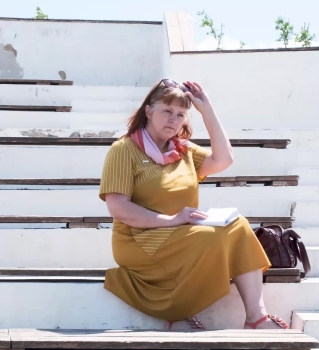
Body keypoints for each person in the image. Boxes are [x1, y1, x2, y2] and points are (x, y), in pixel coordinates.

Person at [98, 79, 289, 331]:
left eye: (180, 114)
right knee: (211, 238)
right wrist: (172, 220)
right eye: (167, 111)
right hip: (139, 239)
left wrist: (206, 109)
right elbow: (118, 208)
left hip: (180, 233)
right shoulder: (123, 150)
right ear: (148, 111)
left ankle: (256, 317)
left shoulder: (183, 150)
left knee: (238, 225)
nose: (173, 119)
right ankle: (181, 309)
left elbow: (224, 159)